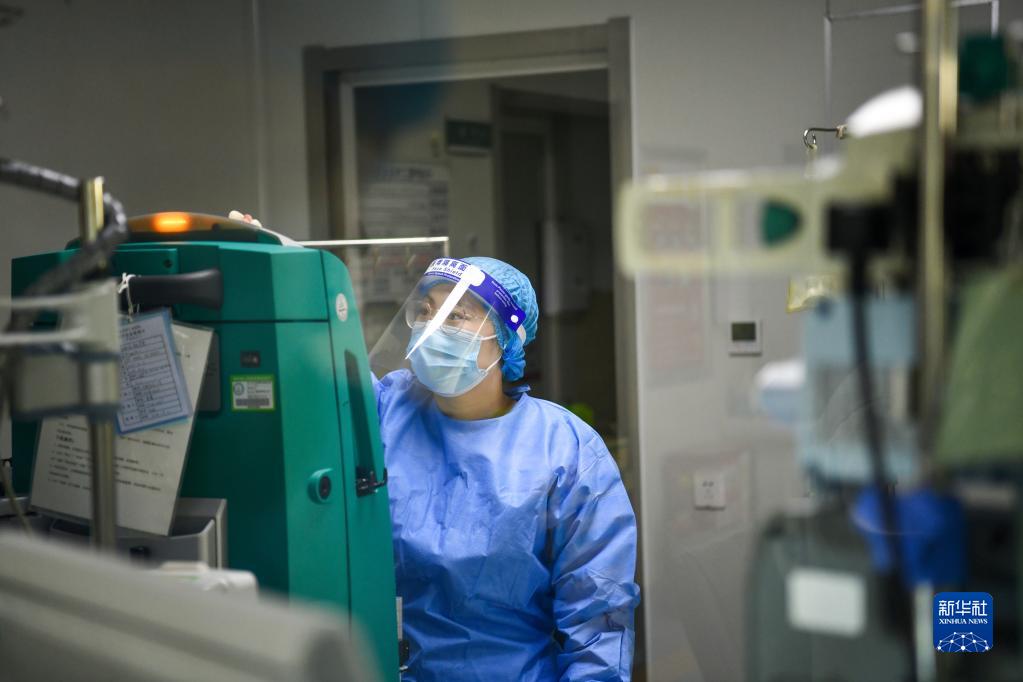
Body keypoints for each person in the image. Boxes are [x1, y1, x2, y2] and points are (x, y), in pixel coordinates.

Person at [370, 256, 640, 681]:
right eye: (425, 311)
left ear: (505, 338)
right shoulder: (385, 410)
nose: (432, 327)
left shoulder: (563, 449)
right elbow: (306, 381)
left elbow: (598, 614)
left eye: (454, 315)